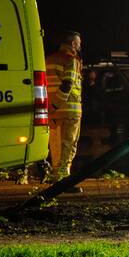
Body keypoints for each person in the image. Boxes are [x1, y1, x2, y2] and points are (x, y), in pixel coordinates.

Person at [45, 31, 84, 184]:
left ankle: (55, 173)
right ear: (73, 44)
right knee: (69, 143)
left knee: (54, 143)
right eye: (79, 43)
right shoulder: (71, 60)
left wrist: (52, 106)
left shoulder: (48, 59)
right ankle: (63, 178)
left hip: (51, 112)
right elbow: (68, 84)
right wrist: (57, 103)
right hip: (69, 110)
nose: (80, 46)